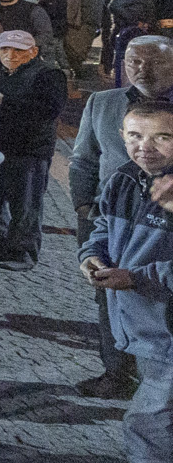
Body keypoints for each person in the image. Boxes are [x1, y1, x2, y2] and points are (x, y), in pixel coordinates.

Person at [83, 97, 173, 463]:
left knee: (149, 419)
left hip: (166, 329)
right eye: (135, 136)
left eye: (162, 137)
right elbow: (101, 226)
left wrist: (135, 278)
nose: (146, 147)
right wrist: (92, 256)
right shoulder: (123, 178)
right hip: (142, 326)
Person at [68, 37, 173, 401]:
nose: (140, 68)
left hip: (163, 225)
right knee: (109, 296)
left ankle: (157, 380)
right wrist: (84, 206)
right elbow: (82, 158)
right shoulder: (103, 103)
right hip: (111, 218)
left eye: (151, 62)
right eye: (132, 61)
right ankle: (116, 372)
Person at [0, 28, 67, 269]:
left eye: (18, 50)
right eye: (5, 49)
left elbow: (47, 111)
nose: (11, 54)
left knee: (25, 205)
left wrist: (0, 100)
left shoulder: (49, 75)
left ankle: (22, 252)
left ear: (33, 51)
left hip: (29, 150)